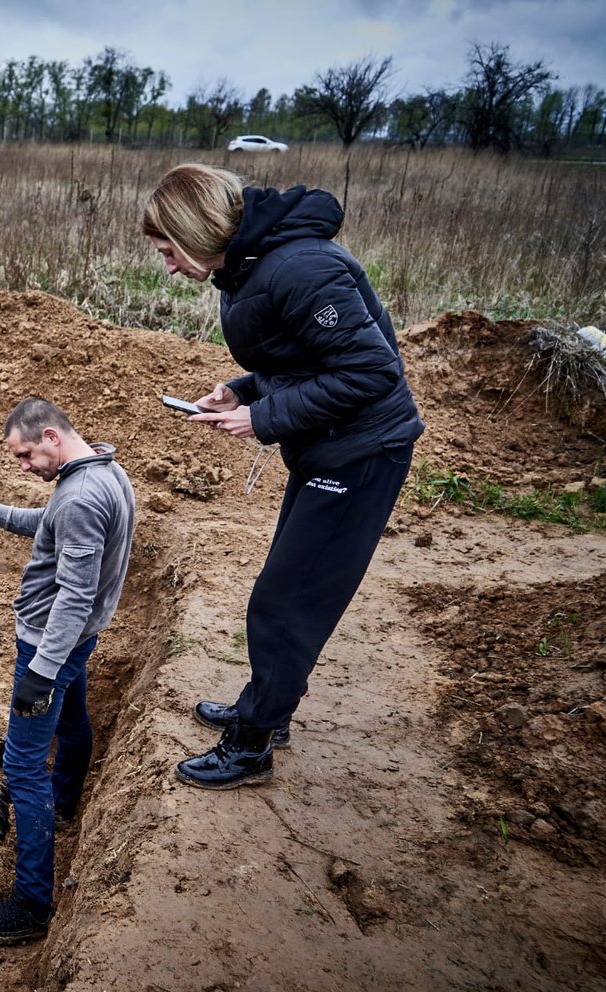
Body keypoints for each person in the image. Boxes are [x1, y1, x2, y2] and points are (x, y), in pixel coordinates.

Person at [141, 163, 424, 790]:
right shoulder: (246, 266)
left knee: (285, 603)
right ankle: (267, 706)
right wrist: (239, 389)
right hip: (327, 449)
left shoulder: (300, 268)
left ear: (196, 229)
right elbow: (298, 356)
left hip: (361, 454)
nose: (167, 265)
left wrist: (262, 417)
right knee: (287, 589)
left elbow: (371, 371)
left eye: (168, 250)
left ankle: (252, 743)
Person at [0, 397, 136, 945]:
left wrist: (42, 669)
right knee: (74, 721)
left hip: (50, 645)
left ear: (52, 437)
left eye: (25, 454)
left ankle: (32, 904)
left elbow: (76, 593)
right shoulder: (102, 470)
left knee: (21, 764)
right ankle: (63, 804)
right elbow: (49, 524)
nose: (22, 466)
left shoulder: (81, 495)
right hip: (75, 644)